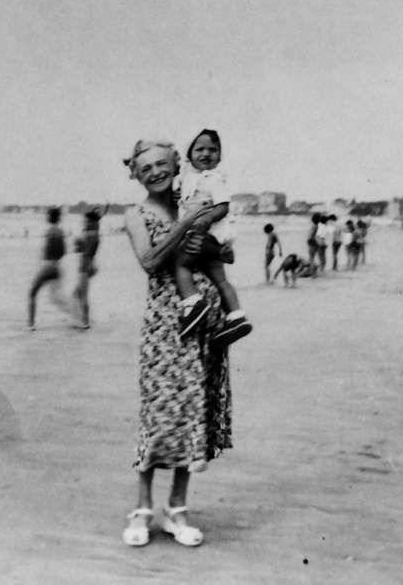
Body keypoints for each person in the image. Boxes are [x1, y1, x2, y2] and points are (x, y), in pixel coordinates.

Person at [121, 138, 233, 549]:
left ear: (176, 165)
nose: (154, 172)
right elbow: (150, 262)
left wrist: (207, 236)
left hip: (205, 315)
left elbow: (225, 253)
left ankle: (177, 508)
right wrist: (188, 224)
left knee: (194, 411)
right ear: (134, 172)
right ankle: (142, 507)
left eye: (161, 164)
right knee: (158, 412)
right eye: (145, 167)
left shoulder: (194, 196)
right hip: (166, 323)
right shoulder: (134, 213)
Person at [172, 129, 251, 347]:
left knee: (181, 264)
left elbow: (223, 207)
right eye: (200, 149)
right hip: (214, 240)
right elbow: (181, 197)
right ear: (190, 155)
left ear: (220, 156)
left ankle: (192, 302)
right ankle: (236, 316)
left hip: (205, 233)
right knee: (220, 278)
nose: (206, 153)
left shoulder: (214, 179)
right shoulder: (188, 178)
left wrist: (207, 219)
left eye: (212, 150)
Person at [27, 206, 70, 330]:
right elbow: (63, 252)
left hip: (47, 266)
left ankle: (31, 324)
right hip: (58, 266)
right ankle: (77, 316)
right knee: (56, 298)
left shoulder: (49, 232)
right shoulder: (60, 232)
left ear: (50, 217)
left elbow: (45, 251)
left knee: (32, 293)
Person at [72, 206, 107, 329]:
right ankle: (80, 318)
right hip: (91, 263)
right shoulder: (95, 233)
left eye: (86, 221)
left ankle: (85, 322)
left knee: (82, 294)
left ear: (91, 222)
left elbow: (79, 250)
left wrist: (78, 243)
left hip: (85, 264)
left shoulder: (88, 234)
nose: (84, 222)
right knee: (77, 293)